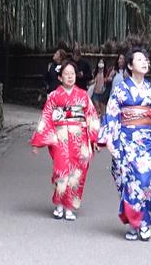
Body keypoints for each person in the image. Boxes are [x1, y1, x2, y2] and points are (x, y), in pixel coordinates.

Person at [101, 46, 151, 242]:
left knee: (143, 182)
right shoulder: (121, 90)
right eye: (140, 60)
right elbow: (112, 114)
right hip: (124, 143)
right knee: (127, 183)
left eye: (146, 60)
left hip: (146, 144)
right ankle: (134, 223)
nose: (144, 62)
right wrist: (110, 140)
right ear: (130, 65)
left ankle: (144, 222)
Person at [31, 60, 100, 221]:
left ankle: (69, 207)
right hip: (60, 137)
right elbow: (46, 118)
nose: (70, 77)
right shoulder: (54, 96)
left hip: (80, 139)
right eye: (66, 74)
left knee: (77, 173)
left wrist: (95, 139)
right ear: (60, 77)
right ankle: (59, 204)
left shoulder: (83, 95)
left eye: (72, 74)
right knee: (61, 171)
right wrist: (37, 142)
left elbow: (92, 116)